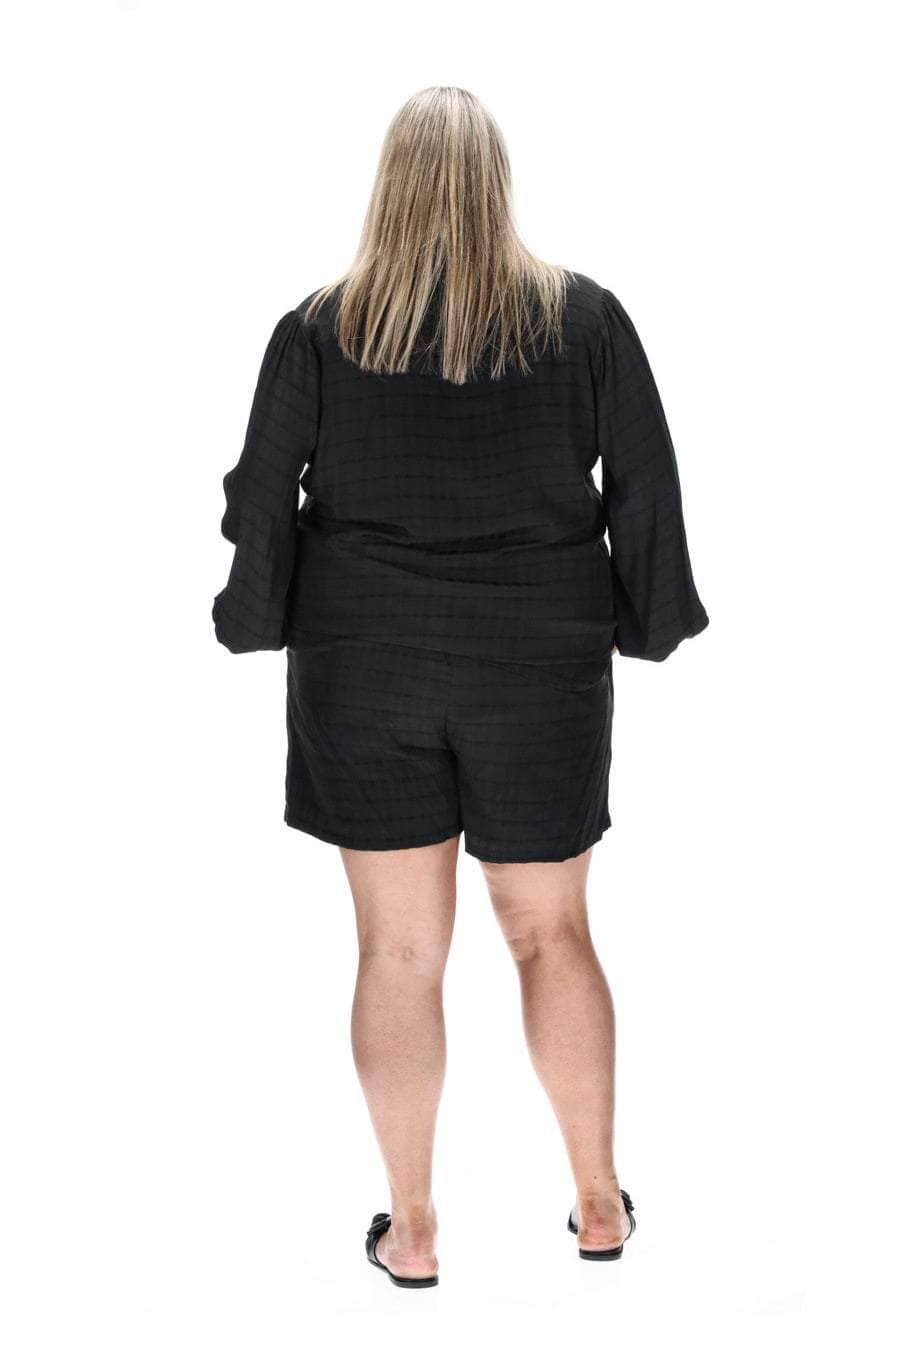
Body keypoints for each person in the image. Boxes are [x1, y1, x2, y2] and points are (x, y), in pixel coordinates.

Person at [212, 85, 708, 1288]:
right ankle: (599, 1200)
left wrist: (253, 618)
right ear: (498, 183)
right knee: (553, 933)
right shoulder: (585, 319)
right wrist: (649, 622)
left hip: (364, 663)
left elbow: (262, 493)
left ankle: (415, 1225)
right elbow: (646, 483)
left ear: (388, 185)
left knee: (397, 951)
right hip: (538, 667)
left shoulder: (318, 329)